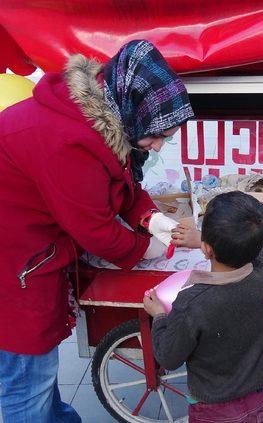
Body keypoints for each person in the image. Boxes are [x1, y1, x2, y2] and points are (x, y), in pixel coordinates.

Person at [0, 39, 194, 422]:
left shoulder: (101, 117)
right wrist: (148, 250)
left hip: (29, 250)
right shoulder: (68, 142)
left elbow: (120, 185)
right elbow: (97, 230)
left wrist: (151, 218)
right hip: (13, 265)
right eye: (156, 136)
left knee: (38, 377)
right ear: (131, 112)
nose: (156, 147)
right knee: (25, 381)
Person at [143, 191, 263, 422]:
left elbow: (169, 358)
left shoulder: (192, 302)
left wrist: (160, 317)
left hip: (214, 409)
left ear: (207, 250)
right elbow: (256, 250)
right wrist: (205, 240)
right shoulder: (262, 271)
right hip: (257, 398)